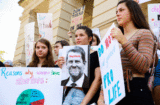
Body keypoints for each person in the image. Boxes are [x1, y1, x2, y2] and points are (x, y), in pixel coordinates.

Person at [98, 0, 154, 105]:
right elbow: (108, 70)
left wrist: (123, 41)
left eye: (121, 10)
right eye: (116, 11)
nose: (117, 14)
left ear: (133, 12)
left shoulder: (144, 33)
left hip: (136, 90)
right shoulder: (113, 40)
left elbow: (144, 66)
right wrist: (102, 96)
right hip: (116, 94)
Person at [58, 26, 101, 105]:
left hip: (84, 96)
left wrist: (84, 102)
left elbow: (98, 79)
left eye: (81, 35)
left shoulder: (96, 54)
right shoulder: (70, 54)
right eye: (76, 36)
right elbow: (66, 83)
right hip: (69, 95)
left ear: (90, 38)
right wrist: (62, 67)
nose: (78, 38)